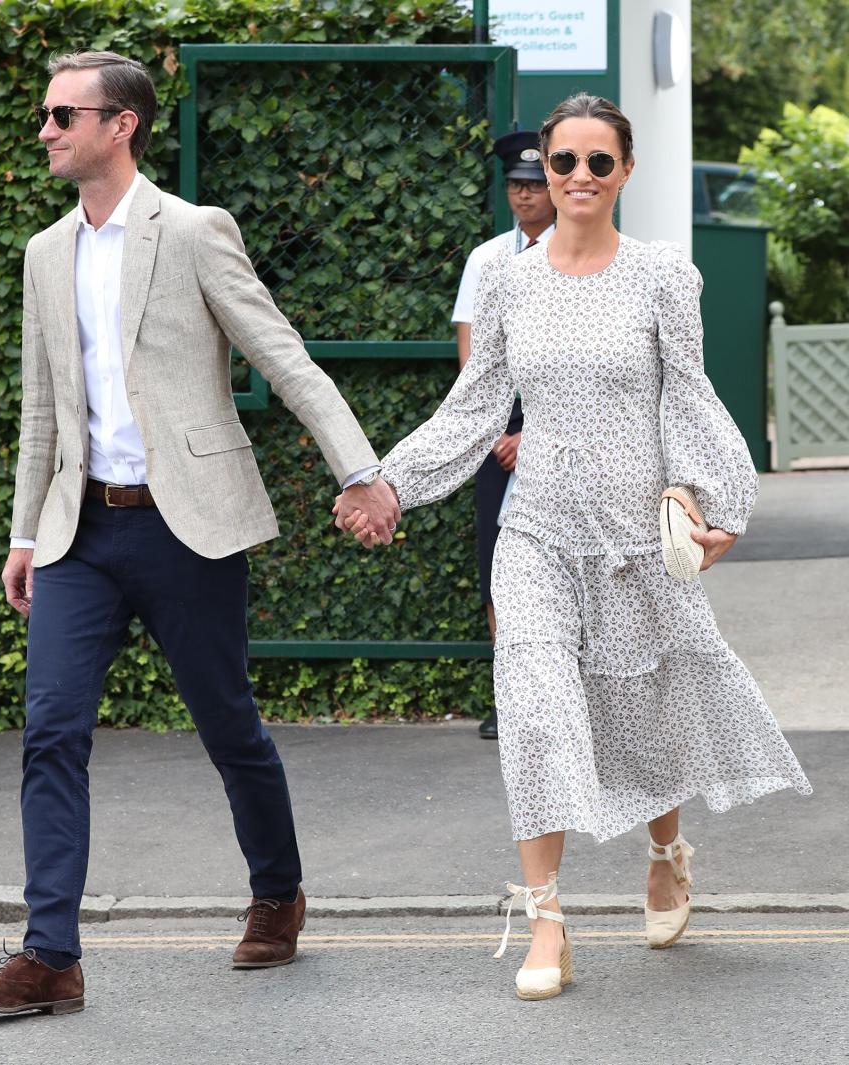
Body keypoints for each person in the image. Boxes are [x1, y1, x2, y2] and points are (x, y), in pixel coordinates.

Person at [0, 50, 398, 1017]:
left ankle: (277, 893)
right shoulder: (43, 253)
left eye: (65, 113)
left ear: (123, 126)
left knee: (227, 724)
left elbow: (283, 356)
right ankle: (49, 955)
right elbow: (42, 414)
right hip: (79, 535)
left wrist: (362, 470)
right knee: (50, 731)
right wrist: (25, 533)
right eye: (45, 113)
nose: (46, 129)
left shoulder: (192, 232)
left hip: (187, 529)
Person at [338, 93, 811, 1001]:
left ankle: (667, 851)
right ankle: (547, 914)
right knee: (535, 703)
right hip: (539, 531)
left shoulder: (663, 275)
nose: (580, 178)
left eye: (599, 162)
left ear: (626, 171)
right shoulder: (510, 280)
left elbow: (688, 394)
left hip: (636, 530)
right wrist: (390, 479)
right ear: (542, 174)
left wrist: (712, 497)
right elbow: (476, 407)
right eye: (564, 163)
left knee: (644, 709)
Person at [451, 131, 555, 739]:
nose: (523, 195)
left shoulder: (581, 257)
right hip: (498, 432)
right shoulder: (489, 259)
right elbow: (472, 349)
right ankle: (511, 696)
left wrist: (535, 434)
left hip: (566, 433)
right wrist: (496, 429)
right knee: (498, 563)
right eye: (515, 185)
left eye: (533, 185)